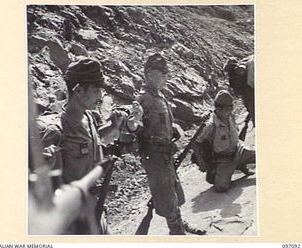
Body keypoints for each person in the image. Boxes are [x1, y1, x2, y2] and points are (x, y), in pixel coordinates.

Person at [39, 57, 141, 234]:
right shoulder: (56, 131)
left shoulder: (89, 118)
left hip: (95, 208)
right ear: (78, 90)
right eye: (96, 90)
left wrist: (112, 126)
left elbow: (91, 141)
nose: (101, 96)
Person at [136, 53, 188, 235]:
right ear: (150, 73)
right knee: (165, 195)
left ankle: (179, 223)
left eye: (167, 73)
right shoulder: (142, 100)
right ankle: (176, 231)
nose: (166, 76)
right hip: (155, 156)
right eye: (162, 73)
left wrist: (172, 130)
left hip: (166, 153)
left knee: (173, 189)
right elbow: (135, 130)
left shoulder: (159, 96)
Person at [192, 90, 256, 193]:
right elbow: (195, 143)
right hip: (224, 160)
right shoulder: (210, 125)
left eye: (231, 108)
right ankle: (215, 172)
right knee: (221, 187)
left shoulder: (231, 116)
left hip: (238, 151)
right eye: (227, 109)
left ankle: (240, 165)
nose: (230, 112)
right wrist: (202, 162)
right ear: (218, 109)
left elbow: (236, 134)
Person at [223, 55, 255, 126]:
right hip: (248, 90)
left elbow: (236, 89)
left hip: (247, 92)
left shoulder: (234, 74)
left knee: (251, 109)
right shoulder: (242, 68)